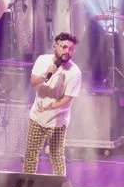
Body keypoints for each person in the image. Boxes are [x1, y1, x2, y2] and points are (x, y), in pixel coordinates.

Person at [25, 32, 82, 176]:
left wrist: (49, 107)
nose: (67, 51)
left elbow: (67, 99)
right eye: (64, 47)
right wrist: (47, 73)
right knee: (31, 155)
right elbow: (33, 83)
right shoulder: (42, 60)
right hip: (37, 118)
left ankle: (59, 186)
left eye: (71, 49)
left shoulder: (74, 72)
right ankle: (27, 185)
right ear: (54, 46)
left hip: (58, 121)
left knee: (56, 157)